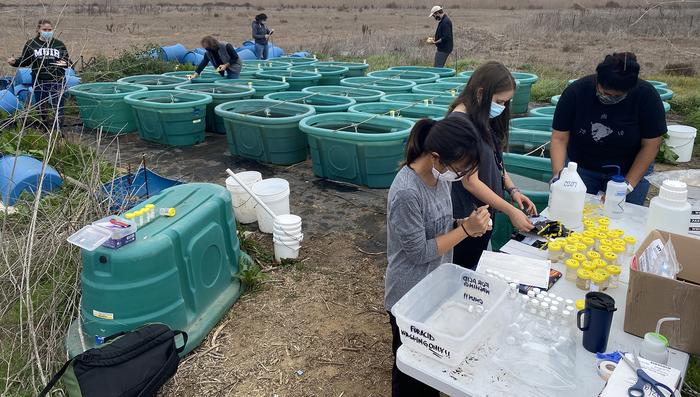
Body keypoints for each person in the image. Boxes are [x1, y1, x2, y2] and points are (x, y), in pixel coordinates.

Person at [385, 117, 492, 396]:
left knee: (430, 368)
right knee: (410, 371)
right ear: (436, 157)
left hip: (435, 287)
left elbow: (440, 225)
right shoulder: (407, 192)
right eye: (461, 168)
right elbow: (419, 251)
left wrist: (464, 223)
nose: (462, 175)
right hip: (409, 294)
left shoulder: (440, 178)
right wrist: (467, 230)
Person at [448, 61, 538, 269]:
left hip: (485, 213)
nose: (503, 107)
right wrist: (510, 210)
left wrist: (512, 189)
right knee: (464, 269)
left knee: (478, 262)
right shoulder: (460, 124)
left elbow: (496, 161)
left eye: (506, 102)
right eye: (499, 101)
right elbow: (470, 181)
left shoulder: (481, 116)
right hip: (467, 216)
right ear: (481, 93)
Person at [551, 52, 665, 205]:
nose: (609, 98)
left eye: (617, 96)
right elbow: (559, 138)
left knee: (624, 218)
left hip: (629, 169)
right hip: (582, 169)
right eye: (605, 93)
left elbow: (651, 145)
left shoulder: (647, 96)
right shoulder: (576, 92)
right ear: (598, 80)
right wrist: (560, 176)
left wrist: (627, 185)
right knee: (574, 212)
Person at [6, 19, 70, 131]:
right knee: (42, 106)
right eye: (44, 29)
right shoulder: (31, 44)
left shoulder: (58, 44)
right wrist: (14, 62)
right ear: (38, 30)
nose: (47, 31)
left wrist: (65, 63)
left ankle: (58, 130)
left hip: (57, 79)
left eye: (50, 30)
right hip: (39, 79)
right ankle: (45, 126)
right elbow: (25, 61)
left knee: (58, 105)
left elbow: (67, 60)